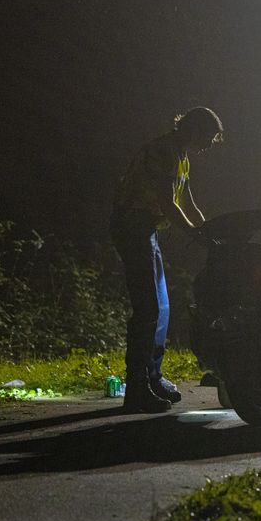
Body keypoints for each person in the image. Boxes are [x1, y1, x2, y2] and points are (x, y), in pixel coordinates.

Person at [110, 107, 223, 413]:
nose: (210, 145)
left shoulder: (181, 156)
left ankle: (153, 377)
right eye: (209, 138)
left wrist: (209, 232)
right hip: (133, 225)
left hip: (147, 229)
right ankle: (137, 388)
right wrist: (195, 233)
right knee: (148, 308)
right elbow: (168, 203)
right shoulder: (163, 151)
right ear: (195, 129)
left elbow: (187, 201)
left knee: (161, 307)